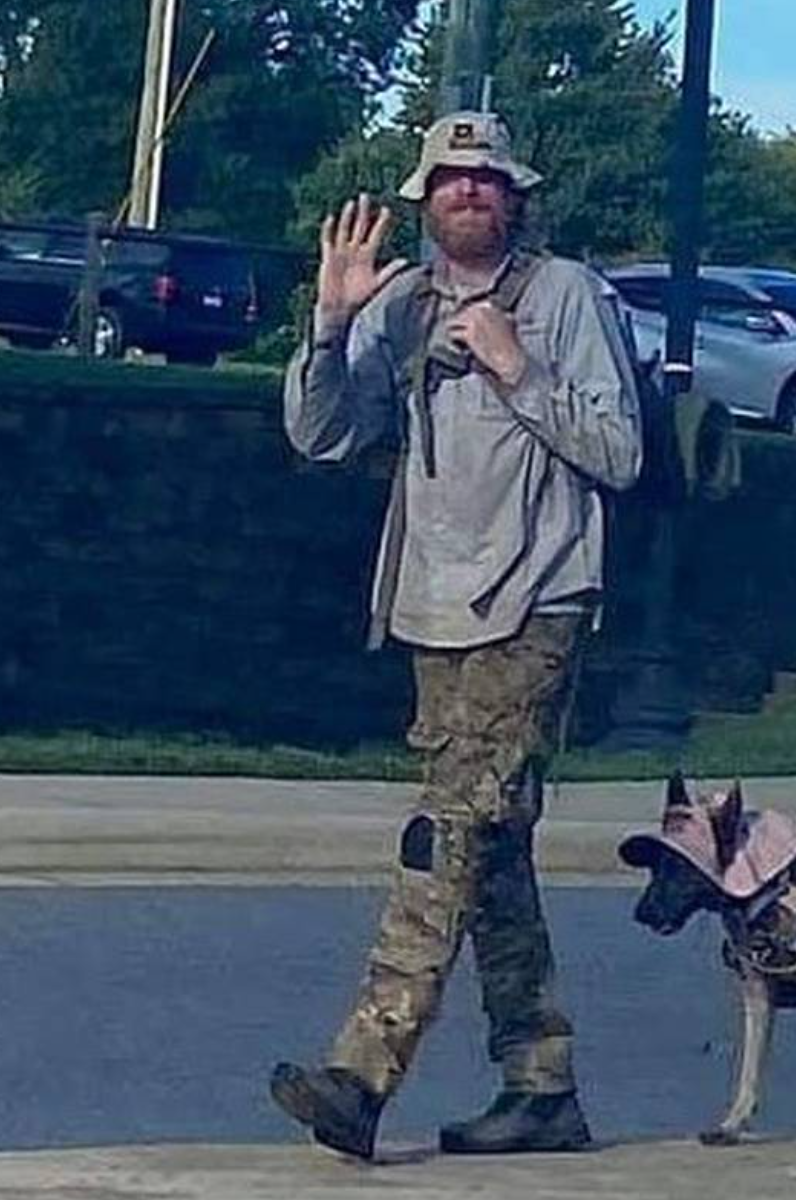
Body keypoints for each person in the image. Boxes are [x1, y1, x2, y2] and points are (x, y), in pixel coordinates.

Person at [270, 111, 644, 1160]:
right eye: (449, 179)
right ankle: (541, 1082)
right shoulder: (400, 305)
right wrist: (331, 325)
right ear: (423, 199)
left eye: (486, 179)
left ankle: (362, 1073)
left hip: (538, 599)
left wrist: (516, 367)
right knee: (493, 851)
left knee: (448, 835)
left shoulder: (565, 298)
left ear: (514, 198)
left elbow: (620, 454)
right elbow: (321, 435)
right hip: (433, 606)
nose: (467, 193)